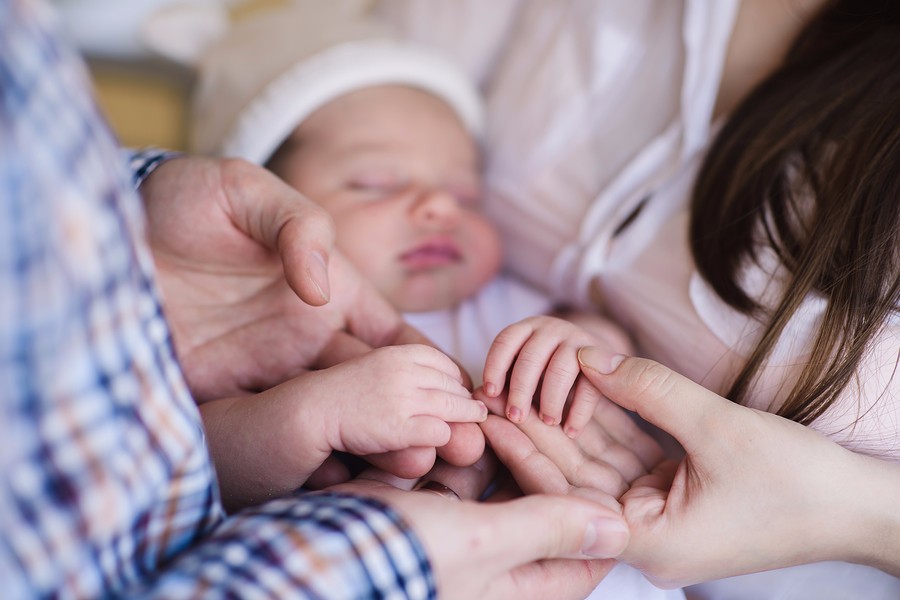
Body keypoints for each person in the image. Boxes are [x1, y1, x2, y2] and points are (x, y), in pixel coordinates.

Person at [0, 1, 636, 598]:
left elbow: (613, 348)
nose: (440, 206)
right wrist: (302, 416)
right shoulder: (255, 334)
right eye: (375, 182)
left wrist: (574, 346)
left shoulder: (509, 298)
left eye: (467, 195)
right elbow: (190, 459)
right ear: (263, 210)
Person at [370, 0, 900, 597]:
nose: (436, 207)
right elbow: (341, 86)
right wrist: (591, 338)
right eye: (373, 185)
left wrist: (858, 517)